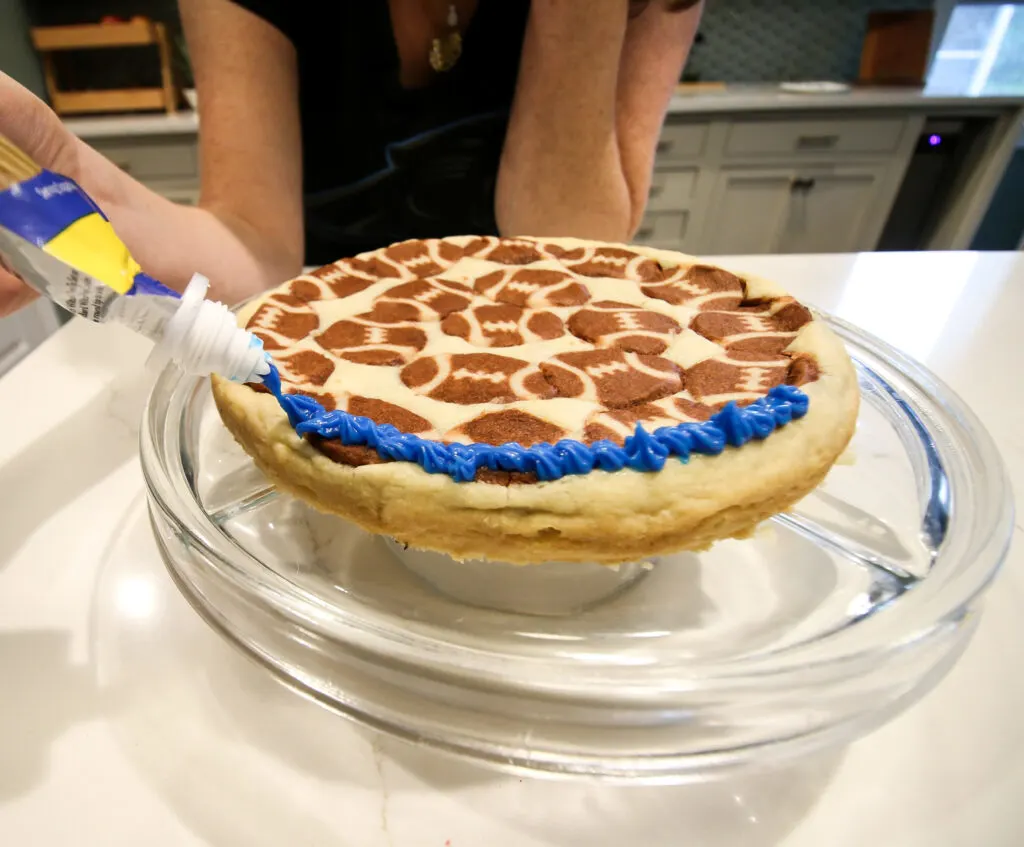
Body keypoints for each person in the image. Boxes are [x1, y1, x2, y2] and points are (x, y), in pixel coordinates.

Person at [0, 0, 701, 315]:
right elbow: (254, 244)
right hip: (322, 349)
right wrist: (64, 180)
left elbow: (568, 252)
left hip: (533, 347)